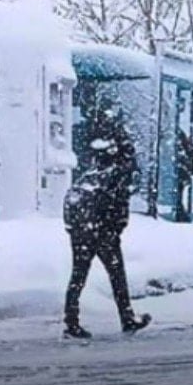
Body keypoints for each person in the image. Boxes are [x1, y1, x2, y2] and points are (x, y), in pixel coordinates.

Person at [61, 109, 151, 339]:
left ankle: (71, 320)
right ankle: (126, 317)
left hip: (83, 230)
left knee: (78, 275)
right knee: (116, 275)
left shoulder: (94, 172)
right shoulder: (117, 172)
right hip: (103, 232)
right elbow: (117, 202)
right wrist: (113, 227)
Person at [173, 129, 193, 223]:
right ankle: (181, 213)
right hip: (183, 179)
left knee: (179, 196)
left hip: (181, 179)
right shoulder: (191, 148)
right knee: (180, 196)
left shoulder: (187, 149)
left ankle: (181, 213)